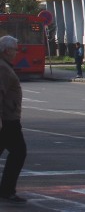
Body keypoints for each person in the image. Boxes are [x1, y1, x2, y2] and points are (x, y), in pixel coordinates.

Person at [0, 36, 28, 205]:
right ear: (6, 50)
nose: (17, 52)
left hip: (8, 118)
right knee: (19, 152)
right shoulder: (3, 68)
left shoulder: (4, 66)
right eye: (15, 49)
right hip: (8, 120)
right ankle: (7, 190)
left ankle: (6, 189)